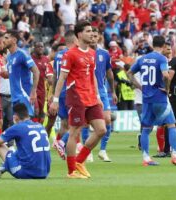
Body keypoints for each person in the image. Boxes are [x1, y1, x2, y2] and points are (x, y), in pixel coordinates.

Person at [50, 20, 106, 178]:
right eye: (88, 31)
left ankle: (80, 162)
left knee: (101, 129)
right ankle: (71, 171)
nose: (92, 34)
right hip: (76, 97)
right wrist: (55, 99)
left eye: (92, 31)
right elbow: (62, 77)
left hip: (91, 97)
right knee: (74, 132)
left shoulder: (92, 53)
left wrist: (97, 96)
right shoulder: (70, 54)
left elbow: (93, 76)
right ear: (79, 34)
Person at [127, 35, 176, 166]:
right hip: (160, 98)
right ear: (163, 46)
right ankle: (175, 155)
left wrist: (139, 87)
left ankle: (146, 158)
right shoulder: (162, 58)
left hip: (147, 99)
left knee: (146, 129)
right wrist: (166, 89)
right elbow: (166, 75)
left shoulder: (142, 58)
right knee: (171, 125)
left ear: (152, 45)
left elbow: (129, 73)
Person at [0, 103, 51, 179]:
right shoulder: (39, 126)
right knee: (20, 151)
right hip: (44, 172)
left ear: (15, 117)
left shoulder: (18, 127)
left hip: (26, 173)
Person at [81, 28, 117, 162]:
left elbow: (109, 74)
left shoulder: (104, 54)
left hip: (101, 90)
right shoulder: (83, 53)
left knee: (107, 119)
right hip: (86, 90)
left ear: (99, 37)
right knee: (85, 123)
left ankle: (102, 150)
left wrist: (112, 91)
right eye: (91, 35)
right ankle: (87, 151)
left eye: (95, 36)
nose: (93, 38)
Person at [50, 31, 78, 160]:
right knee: (78, 122)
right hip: (70, 92)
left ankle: (58, 143)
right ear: (74, 40)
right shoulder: (72, 54)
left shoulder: (58, 55)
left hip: (60, 93)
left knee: (65, 124)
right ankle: (65, 144)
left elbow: (56, 75)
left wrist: (53, 93)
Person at [3, 30, 39, 117]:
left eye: (6, 38)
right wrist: (5, 74)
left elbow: (36, 71)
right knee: (18, 124)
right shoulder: (9, 57)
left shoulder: (22, 54)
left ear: (14, 40)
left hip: (24, 95)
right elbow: (14, 74)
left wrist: (33, 92)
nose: (4, 40)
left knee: (24, 122)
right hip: (14, 96)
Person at [31, 41, 53, 124]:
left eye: (42, 46)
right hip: (33, 89)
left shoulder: (46, 59)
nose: (40, 48)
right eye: (38, 46)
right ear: (34, 48)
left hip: (42, 90)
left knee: (41, 113)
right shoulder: (30, 59)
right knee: (35, 111)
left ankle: (39, 129)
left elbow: (49, 75)